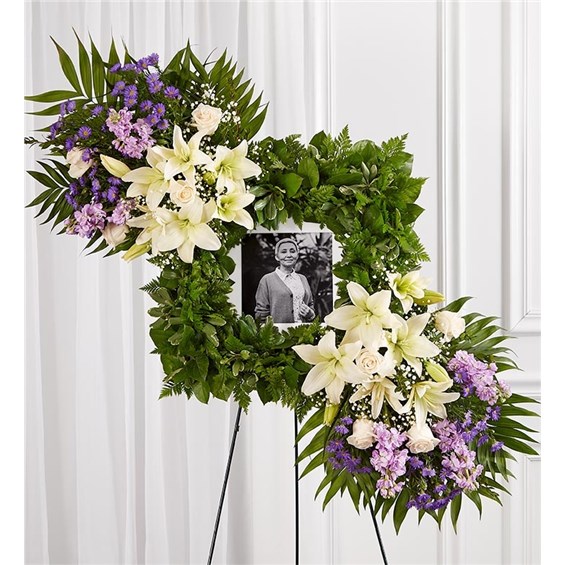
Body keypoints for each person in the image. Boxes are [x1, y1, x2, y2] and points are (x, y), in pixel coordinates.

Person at [255, 238, 316, 324]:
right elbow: (261, 313)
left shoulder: (302, 279)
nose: (289, 255)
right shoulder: (267, 280)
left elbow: (310, 304)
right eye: (283, 252)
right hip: (278, 331)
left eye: (292, 251)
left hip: (303, 330)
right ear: (277, 257)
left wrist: (310, 314)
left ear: (297, 255)